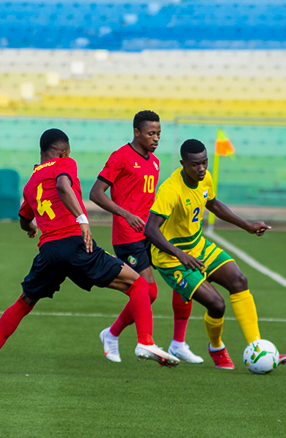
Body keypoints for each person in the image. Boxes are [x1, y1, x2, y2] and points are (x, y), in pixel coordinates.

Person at [0, 128, 180, 373]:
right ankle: (145, 342)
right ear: (62, 152)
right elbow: (63, 185)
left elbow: (24, 219)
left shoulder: (30, 184)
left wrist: (31, 229)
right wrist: (82, 218)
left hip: (48, 252)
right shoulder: (64, 163)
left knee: (24, 302)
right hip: (75, 245)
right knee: (140, 286)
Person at [144, 139, 286, 370]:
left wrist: (247, 225)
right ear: (183, 163)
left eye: (204, 163)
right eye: (195, 164)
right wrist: (180, 255)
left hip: (198, 246)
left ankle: (257, 348)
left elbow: (212, 204)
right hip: (172, 259)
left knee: (239, 280)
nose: (201, 168)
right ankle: (217, 349)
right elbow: (150, 230)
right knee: (216, 304)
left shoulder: (205, 177)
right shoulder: (170, 190)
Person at [90, 110, 203, 364]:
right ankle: (143, 342)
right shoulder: (120, 157)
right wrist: (124, 213)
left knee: (154, 291)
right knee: (147, 290)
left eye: (159, 134)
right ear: (136, 132)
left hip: (149, 235)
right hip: (127, 235)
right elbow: (96, 193)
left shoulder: (154, 161)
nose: (156, 138)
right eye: (151, 133)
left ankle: (115, 335)